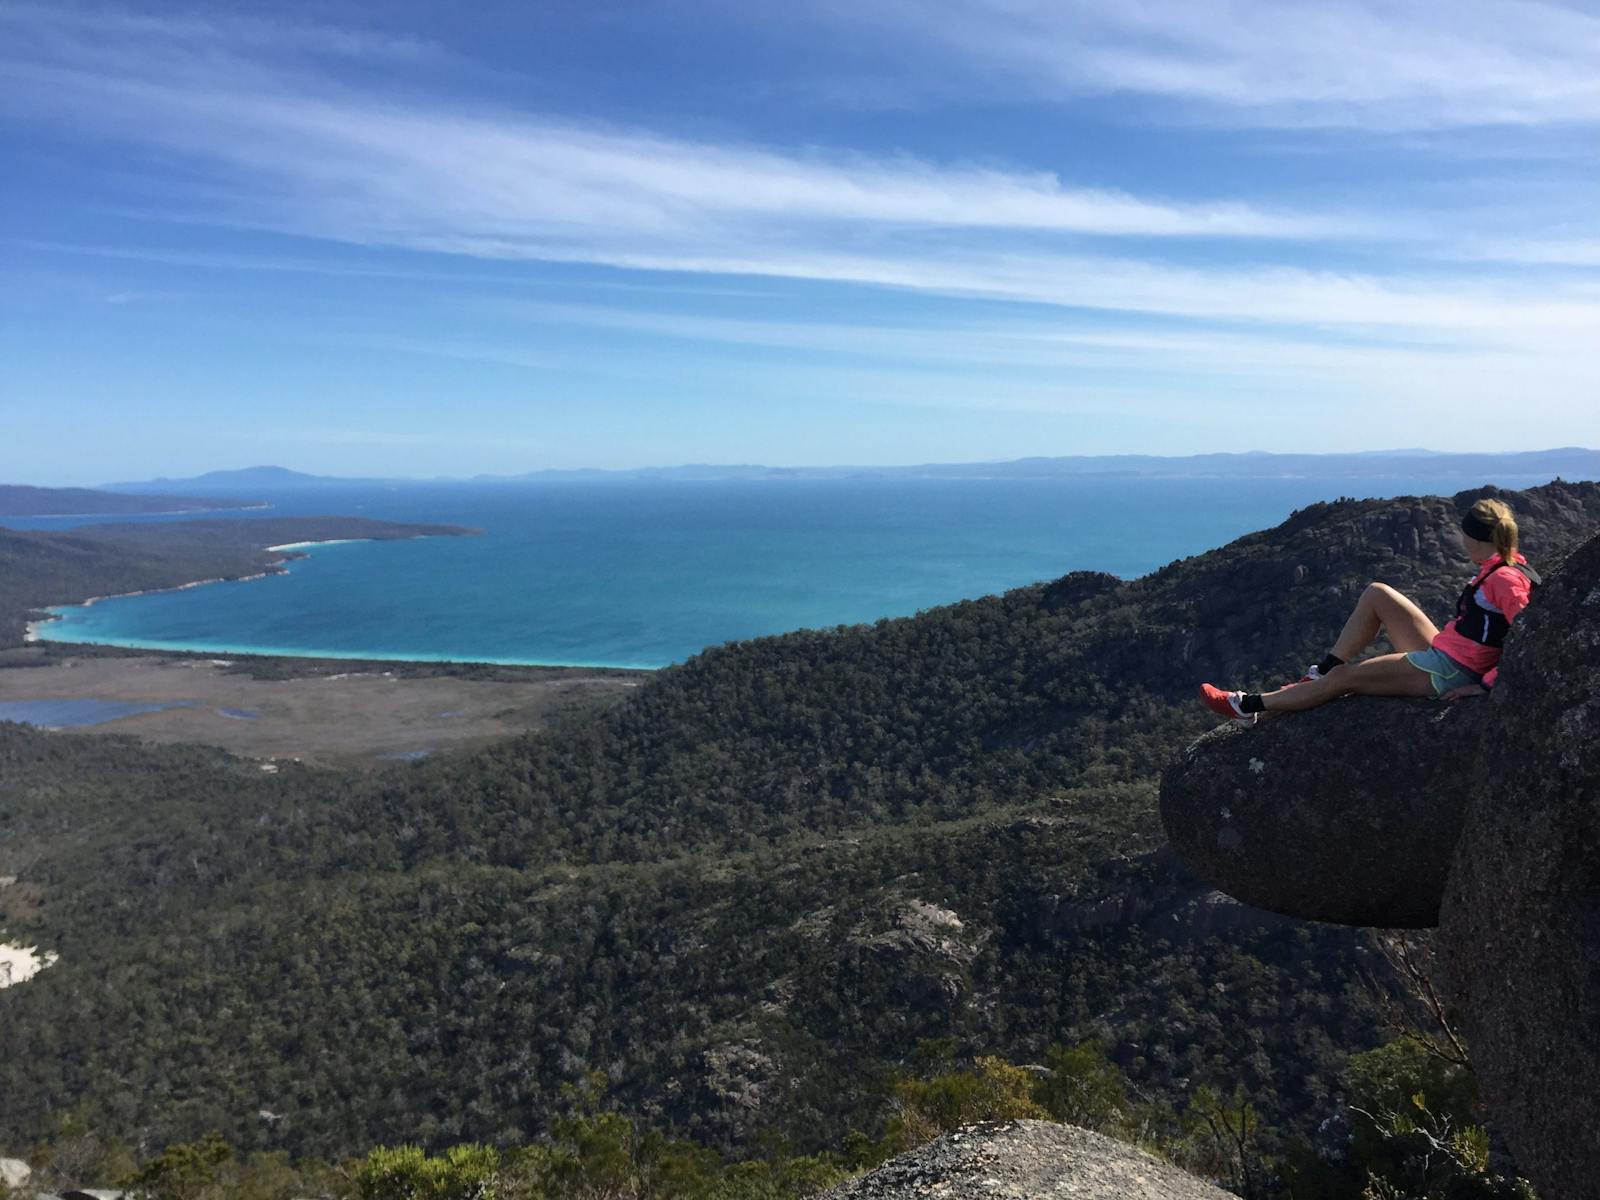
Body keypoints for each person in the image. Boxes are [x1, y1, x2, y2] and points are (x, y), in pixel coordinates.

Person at [1200, 498, 1538, 722]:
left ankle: (1248, 706)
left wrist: (1488, 685)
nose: (1461, 542)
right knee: (1378, 594)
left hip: (1450, 671)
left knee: (1345, 680)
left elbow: (1530, 637)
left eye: (1464, 536)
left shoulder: (1506, 580)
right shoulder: (1504, 567)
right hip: (1447, 652)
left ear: (1476, 540)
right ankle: (1319, 673)